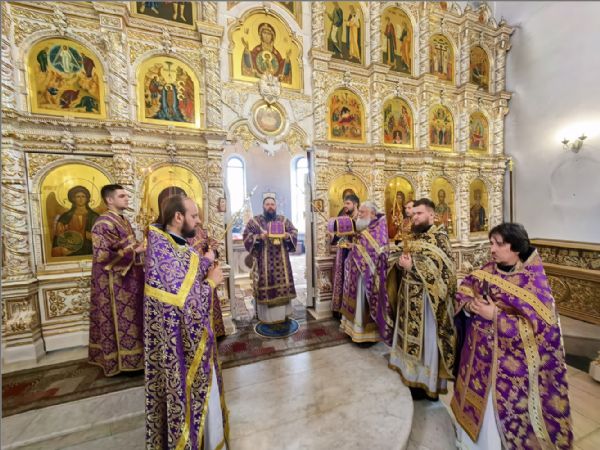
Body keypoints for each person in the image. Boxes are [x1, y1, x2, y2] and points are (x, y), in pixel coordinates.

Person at [452, 223, 573, 449]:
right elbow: (464, 291)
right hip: (476, 357)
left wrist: (495, 315)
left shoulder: (533, 281)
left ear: (516, 247)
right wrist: (470, 306)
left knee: (494, 417)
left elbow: (542, 330)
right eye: (491, 243)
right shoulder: (488, 269)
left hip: (506, 368)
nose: (492, 249)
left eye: (499, 244)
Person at [144, 195, 229, 449]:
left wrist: (205, 261)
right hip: (181, 348)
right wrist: (211, 282)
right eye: (194, 215)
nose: (199, 220)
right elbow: (184, 304)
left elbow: (185, 275)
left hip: (196, 341)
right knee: (192, 401)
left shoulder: (173, 245)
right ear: (178, 217)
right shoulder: (161, 251)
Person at [387, 198, 456, 400]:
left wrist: (413, 267)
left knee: (427, 342)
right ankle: (411, 376)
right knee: (408, 337)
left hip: (428, 303)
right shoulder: (413, 236)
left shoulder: (440, 238)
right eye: (413, 213)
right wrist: (399, 264)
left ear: (432, 215)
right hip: (407, 297)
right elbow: (400, 257)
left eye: (419, 213)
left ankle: (427, 384)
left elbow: (445, 273)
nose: (414, 216)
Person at [88, 184, 145, 376]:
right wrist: (134, 250)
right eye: (122, 196)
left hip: (129, 278)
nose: (127, 198)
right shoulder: (102, 223)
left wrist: (138, 248)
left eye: (126, 195)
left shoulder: (123, 220)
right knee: (119, 319)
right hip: (113, 282)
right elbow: (102, 255)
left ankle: (135, 359)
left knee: (132, 318)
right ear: (109, 200)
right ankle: (120, 362)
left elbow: (127, 245)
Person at [339, 201, 394, 345]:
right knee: (356, 301)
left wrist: (355, 247)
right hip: (356, 272)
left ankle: (364, 335)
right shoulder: (367, 226)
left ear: (372, 213)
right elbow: (363, 245)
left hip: (368, 276)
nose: (359, 214)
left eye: (363, 212)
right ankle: (352, 330)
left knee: (362, 303)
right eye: (360, 211)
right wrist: (354, 246)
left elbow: (378, 251)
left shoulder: (379, 228)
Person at [243, 197, 298, 324]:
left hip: (282, 264)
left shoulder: (283, 220)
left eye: (272, 204)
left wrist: (287, 235)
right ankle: (266, 318)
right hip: (264, 263)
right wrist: (259, 236)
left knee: (283, 286)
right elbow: (246, 236)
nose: (270, 206)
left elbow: (294, 232)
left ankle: (283, 315)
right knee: (266, 285)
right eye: (267, 204)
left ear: (276, 206)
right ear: (263, 206)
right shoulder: (255, 221)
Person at [331, 193, 360, 314]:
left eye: (348, 203)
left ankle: (352, 311)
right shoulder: (343, 218)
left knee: (351, 282)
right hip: (342, 252)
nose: (345, 206)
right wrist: (334, 234)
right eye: (344, 204)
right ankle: (340, 309)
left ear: (355, 204)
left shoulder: (360, 219)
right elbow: (337, 237)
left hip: (355, 254)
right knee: (342, 279)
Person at [52, 185, 99, 257]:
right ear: (73, 199)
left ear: (87, 199)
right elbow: (59, 236)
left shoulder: (94, 216)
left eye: (83, 196)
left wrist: (92, 236)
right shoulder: (65, 217)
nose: (81, 199)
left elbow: (102, 235)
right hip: (71, 251)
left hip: (91, 250)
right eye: (78, 197)